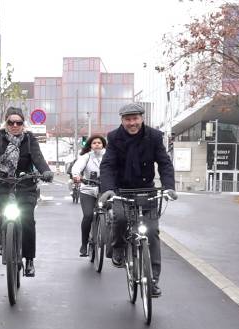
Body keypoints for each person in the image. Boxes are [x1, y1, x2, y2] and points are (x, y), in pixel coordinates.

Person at [99, 102, 176, 297]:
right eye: (127, 119)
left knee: (151, 233)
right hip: (122, 189)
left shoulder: (155, 137)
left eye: (135, 119)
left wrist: (169, 187)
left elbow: (165, 163)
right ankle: (117, 248)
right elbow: (107, 165)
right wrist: (108, 189)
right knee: (121, 218)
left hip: (146, 190)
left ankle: (153, 281)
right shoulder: (114, 138)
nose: (132, 123)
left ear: (142, 118)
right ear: (122, 120)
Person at [0, 107, 54, 277]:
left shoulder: (30, 139)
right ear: (6, 123)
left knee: (28, 220)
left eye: (19, 122)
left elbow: (38, 157)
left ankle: (29, 260)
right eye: (11, 122)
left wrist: (45, 171)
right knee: (4, 212)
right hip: (4, 183)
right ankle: (2, 237)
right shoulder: (0, 138)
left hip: (26, 185)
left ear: (23, 124)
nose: (15, 125)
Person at [71, 134, 107, 257]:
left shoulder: (108, 156)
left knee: (112, 216)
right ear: (90, 145)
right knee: (88, 215)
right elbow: (76, 168)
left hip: (104, 191)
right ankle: (84, 244)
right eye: (94, 143)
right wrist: (76, 176)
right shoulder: (86, 157)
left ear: (103, 145)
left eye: (99, 143)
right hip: (88, 190)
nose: (97, 145)